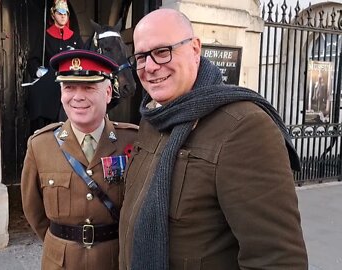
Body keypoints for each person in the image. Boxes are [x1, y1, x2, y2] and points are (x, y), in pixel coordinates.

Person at [119, 9, 308, 269]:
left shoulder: (244, 127)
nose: (150, 67)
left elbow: (277, 259)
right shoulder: (152, 118)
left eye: (163, 51)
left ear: (195, 49)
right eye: (141, 57)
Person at [21, 49, 138, 270]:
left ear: (107, 92)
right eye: (69, 87)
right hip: (61, 262)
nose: (77, 97)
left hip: (113, 260)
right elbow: (33, 210)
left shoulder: (132, 140)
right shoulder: (40, 145)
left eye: (89, 87)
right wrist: (61, 244)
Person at [27, 0, 84, 133]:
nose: (63, 16)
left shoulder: (75, 37)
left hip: (71, 84)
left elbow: (83, 59)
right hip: (50, 85)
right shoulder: (45, 36)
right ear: (53, 15)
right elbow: (32, 61)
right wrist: (39, 71)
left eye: (66, 13)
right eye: (60, 13)